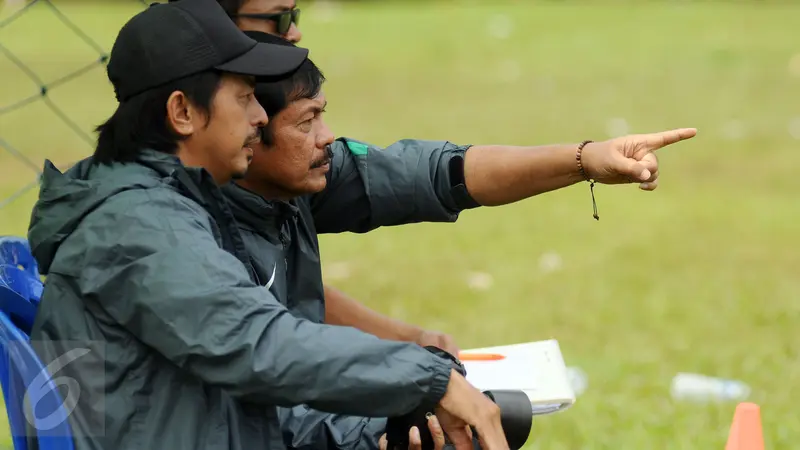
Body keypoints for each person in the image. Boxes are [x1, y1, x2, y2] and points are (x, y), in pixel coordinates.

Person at [25, 1, 510, 450]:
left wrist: (369, 434)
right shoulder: (138, 228)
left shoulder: (168, 204)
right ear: (182, 112)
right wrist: (429, 378)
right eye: (246, 98)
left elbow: (238, 402)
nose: (261, 117)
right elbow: (260, 346)